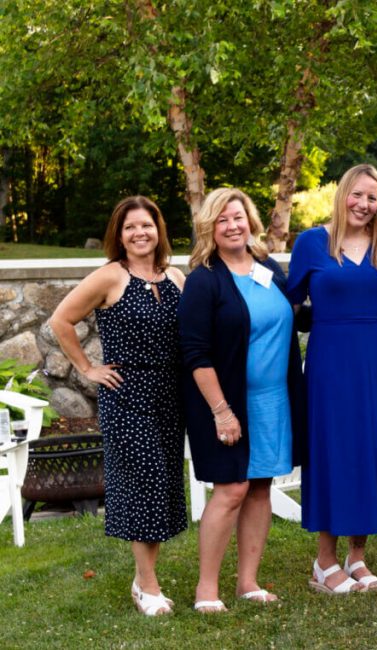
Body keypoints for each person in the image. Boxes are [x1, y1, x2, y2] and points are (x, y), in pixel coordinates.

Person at [50, 196, 186, 616]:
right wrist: (87, 366)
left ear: (158, 229)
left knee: (161, 486)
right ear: (119, 234)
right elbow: (60, 320)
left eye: (146, 225)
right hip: (127, 395)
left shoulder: (176, 277)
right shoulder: (111, 276)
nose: (139, 233)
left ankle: (143, 578)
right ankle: (147, 586)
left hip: (170, 394)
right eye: (130, 227)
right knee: (143, 482)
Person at [177, 188, 307, 612]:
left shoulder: (267, 267)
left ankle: (248, 582)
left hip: (273, 400)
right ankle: (206, 590)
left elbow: (293, 312)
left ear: (250, 221)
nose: (233, 226)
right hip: (225, 404)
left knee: (259, 487)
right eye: (223, 220)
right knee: (231, 489)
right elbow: (196, 354)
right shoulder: (203, 280)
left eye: (238, 217)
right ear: (209, 229)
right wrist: (221, 411)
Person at [287, 164, 377, 595]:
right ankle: (324, 561)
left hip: (376, 356)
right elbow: (290, 304)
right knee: (334, 451)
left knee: (372, 448)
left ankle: (357, 556)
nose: (364, 204)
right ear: (342, 196)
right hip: (331, 361)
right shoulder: (312, 243)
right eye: (357, 195)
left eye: (372, 197)